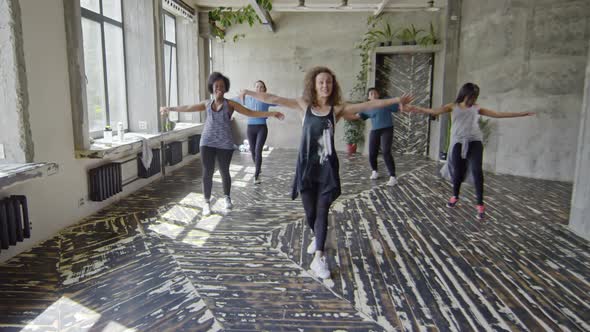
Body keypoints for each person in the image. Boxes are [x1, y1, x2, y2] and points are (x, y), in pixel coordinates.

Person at [240, 66, 412, 279]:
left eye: (328, 82)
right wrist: (248, 92)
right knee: (311, 213)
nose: (325, 86)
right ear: (314, 84)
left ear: (333, 85)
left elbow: (369, 104)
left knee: (322, 210)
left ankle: (319, 258)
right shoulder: (303, 105)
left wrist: (395, 101)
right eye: (321, 82)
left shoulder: (336, 109)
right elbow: (272, 96)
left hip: (327, 168)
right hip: (306, 167)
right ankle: (318, 236)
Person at [160, 72, 284, 216]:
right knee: (207, 172)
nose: (219, 88)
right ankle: (206, 202)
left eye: (222, 86)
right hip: (207, 142)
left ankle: (227, 198)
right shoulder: (206, 104)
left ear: (225, 89)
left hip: (225, 143)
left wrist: (272, 113)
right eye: (216, 86)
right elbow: (188, 107)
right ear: (212, 88)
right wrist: (170, 109)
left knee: (224, 171)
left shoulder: (230, 104)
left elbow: (250, 112)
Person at [405, 83, 535, 220]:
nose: (473, 100)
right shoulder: (452, 106)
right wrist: (414, 108)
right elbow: (433, 111)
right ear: (464, 94)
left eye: (475, 97)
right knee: (457, 171)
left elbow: (498, 114)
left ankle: (480, 204)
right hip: (458, 142)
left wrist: (522, 113)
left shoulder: (476, 108)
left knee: (477, 170)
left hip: (475, 141)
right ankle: (455, 195)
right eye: (471, 96)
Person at [358, 87, 402, 186]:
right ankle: (374, 171)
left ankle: (393, 176)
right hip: (375, 130)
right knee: (372, 152)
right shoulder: (367, 107)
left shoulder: (385, 102)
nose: (373, 95)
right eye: (371, 94)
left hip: (387, 129)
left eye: (375, 93)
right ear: (369, 97)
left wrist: (402, 104)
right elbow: (359, 116)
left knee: (386, 151)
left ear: (378, 95)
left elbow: (398, 108)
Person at [240, 80, 276, 184]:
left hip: (262, 128)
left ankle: (256, 176)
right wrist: (242, 95)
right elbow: (240, 101)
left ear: (264, 89)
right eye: (257, 87)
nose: (259, 89)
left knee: (258, 150)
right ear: (254, 89)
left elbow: (277, 101)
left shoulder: (266, 99)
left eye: (261, 87)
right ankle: (258, 167)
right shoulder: (250, 98)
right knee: (252, 150)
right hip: (250, 127)